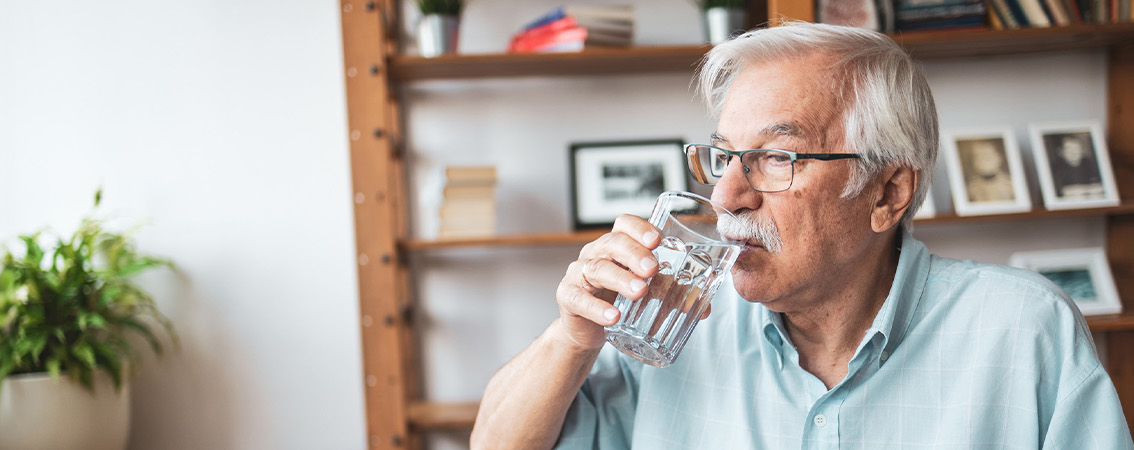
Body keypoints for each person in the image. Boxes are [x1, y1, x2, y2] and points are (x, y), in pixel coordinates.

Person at [470, 23, 1132, 449]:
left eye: (779, 158)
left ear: (887, 193)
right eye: (723, 155)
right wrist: (573, 335)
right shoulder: (674, 319)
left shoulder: (1023, 329)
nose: (727, 194)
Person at [1049, 133, 1104, 199]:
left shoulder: (1087, 163)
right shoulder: (1056, 169)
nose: (1074, 153)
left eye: (1077, 149)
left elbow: (1101, 187)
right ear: (1061, 152)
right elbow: (1061, 192)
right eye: (1070, 150)